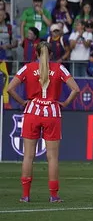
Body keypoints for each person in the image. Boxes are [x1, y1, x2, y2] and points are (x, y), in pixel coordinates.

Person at [6, 43, 80, 202]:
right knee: (52, 157)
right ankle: (53, 195)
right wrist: (65, 103)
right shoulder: (59, 68)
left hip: (32, 111)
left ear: (36, 53)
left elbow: (10, 88)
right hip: (52, 112)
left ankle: (25, 195)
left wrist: (23, 102)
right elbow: (76, 89)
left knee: (28, 156)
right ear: (51, 54)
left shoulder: (28, 68)